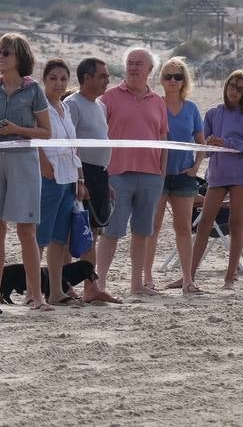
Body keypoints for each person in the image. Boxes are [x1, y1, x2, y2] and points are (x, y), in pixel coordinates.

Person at [96, 47, 169, 298]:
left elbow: (163, 139)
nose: (134, 67)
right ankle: (100, 283)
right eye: (130, 63)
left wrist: (162, 174)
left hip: (150, 175)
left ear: (150, 70)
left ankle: (136, 283)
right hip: (117, 174)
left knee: (142, 232)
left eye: (139, 63)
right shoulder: (108, 97)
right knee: (111, 231)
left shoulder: (158, 102)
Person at [191, 71, 243, 288]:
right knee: (205, 222)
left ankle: (231, 275)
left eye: (240, 88)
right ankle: (190, 274)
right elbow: (206, 151)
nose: (234, 91)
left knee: (236, 222)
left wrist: (229, 142)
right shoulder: (213, 113)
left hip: (240, 176)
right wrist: (212, 144)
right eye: (232, 85)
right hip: (217, 174)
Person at [0, 34, 54, 310]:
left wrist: (16, 130)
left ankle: (37, 296)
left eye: (5, 52)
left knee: (26, 231)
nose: (1, 56)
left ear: (19, 56)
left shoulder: (33, 90)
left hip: (23, 162)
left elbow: (47, 132)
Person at [144, 56, 205, 294]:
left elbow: (200, 142)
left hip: (183, 175)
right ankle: (147, 278)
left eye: (177, 76)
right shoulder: (155, 104)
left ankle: (188, 279)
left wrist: (195, 167)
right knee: (153, 227)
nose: (172, 80)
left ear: (183, 81)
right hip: (157, 174)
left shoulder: (191, 109)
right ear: (161, 79)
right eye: (167, 76)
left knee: (182, 228)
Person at [65, 57, 117, 303]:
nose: (107, 80)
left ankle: (91, 288)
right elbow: (69, 144)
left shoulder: (100, 106)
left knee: (93, 232)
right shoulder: (72, 104)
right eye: (103, 76)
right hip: (80, 173)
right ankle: (64, 286)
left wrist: (105, 182)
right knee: (69, 232)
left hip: (99, 174)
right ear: (87, 78)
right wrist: (79, 179)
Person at [38, 58, 84, 305]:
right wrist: (43, 162)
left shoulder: (65, 108)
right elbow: (34, 138)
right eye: (53, 78)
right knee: (40, 236)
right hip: (49, 177)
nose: (58, 83)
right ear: (44, 80)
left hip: (68, 177)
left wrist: (79, 179)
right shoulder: (39, 106)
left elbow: (74, 146)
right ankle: (34, 291)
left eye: (63, 79)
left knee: (60, 238)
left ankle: (55, 290)